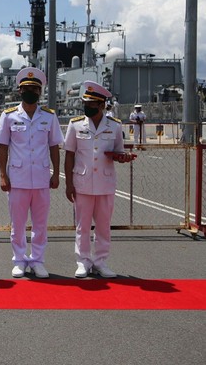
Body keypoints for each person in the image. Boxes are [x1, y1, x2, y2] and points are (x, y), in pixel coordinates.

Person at [0, 67, 64, 279]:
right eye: (26, 88)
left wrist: (56, 173)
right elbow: (3, 146)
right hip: (17, 178)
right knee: (18, 223)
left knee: (40, 224)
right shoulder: (9, 116)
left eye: (34, 88)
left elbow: (54, 146)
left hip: (42, 178)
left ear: (40, 91)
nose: (30, 91)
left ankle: (38, 260)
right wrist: (3, 175)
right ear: (19, 91)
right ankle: (19, 260)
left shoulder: (49, 117)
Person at [64, 81, 133, 278]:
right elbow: (69, 154)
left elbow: (119, 151)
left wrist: (122, 157)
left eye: (92, 103)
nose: (87, 106)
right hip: (83, 183)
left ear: (102, 105)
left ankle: (101, 261)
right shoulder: (76, 124)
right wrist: (69, 183)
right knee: (82, 226)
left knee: (103, 226)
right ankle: (83, 261)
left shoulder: (114, 126)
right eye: (86, 102)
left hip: (105, 183)